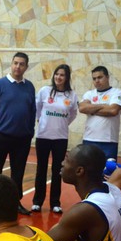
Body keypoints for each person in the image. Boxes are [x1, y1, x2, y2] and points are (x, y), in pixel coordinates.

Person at [0, 52, 36, 215]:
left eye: (21, 64)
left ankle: (15, 203)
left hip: (22, 138)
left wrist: (30, 131)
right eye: (15, 63)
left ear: (26, 67)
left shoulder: (29, 87)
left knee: (18, 173)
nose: (18, 67)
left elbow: (32, 111)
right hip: (1, 136)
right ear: (11, 64)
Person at [32, 64, 78, 214]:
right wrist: (42, 121)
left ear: (67, 78)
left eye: (62, 75)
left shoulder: (71, 95)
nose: (59, 77)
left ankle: (55, 203)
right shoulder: (44, 91)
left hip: (60, 138)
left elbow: (72, 114)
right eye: (57, 74)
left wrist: (61, 124)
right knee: (41, 169)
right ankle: (37, 202)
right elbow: (37, 108)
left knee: (58, 171)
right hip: (43, 136)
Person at [78, 66, 121, 160]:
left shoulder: (117, 92)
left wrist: (92, 109)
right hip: (89, 139)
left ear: (107, 77)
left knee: (107, 171)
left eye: (100, 77)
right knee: (87, 170)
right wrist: (104, 106)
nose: (97, 81)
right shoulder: (89, 93)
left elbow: (113, 110)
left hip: (108, 141)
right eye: (94, 78)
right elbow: (82, 108)